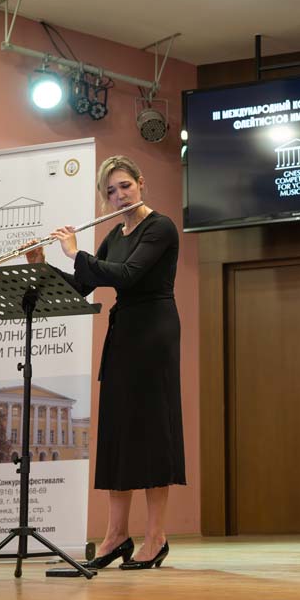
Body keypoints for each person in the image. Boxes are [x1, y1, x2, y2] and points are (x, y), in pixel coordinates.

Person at [26, 155, 184, 570]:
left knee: (151, 432)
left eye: (125, 186)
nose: (119, 196)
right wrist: (43, 266)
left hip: (154, 332)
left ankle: (156, 537)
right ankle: (116, 535)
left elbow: (127, 275)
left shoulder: (161, 227)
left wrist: (75, 251)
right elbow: (82, 286)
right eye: (110, 191)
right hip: (124, 332)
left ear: (141, 183)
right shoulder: (114, 234)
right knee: (119, 432)